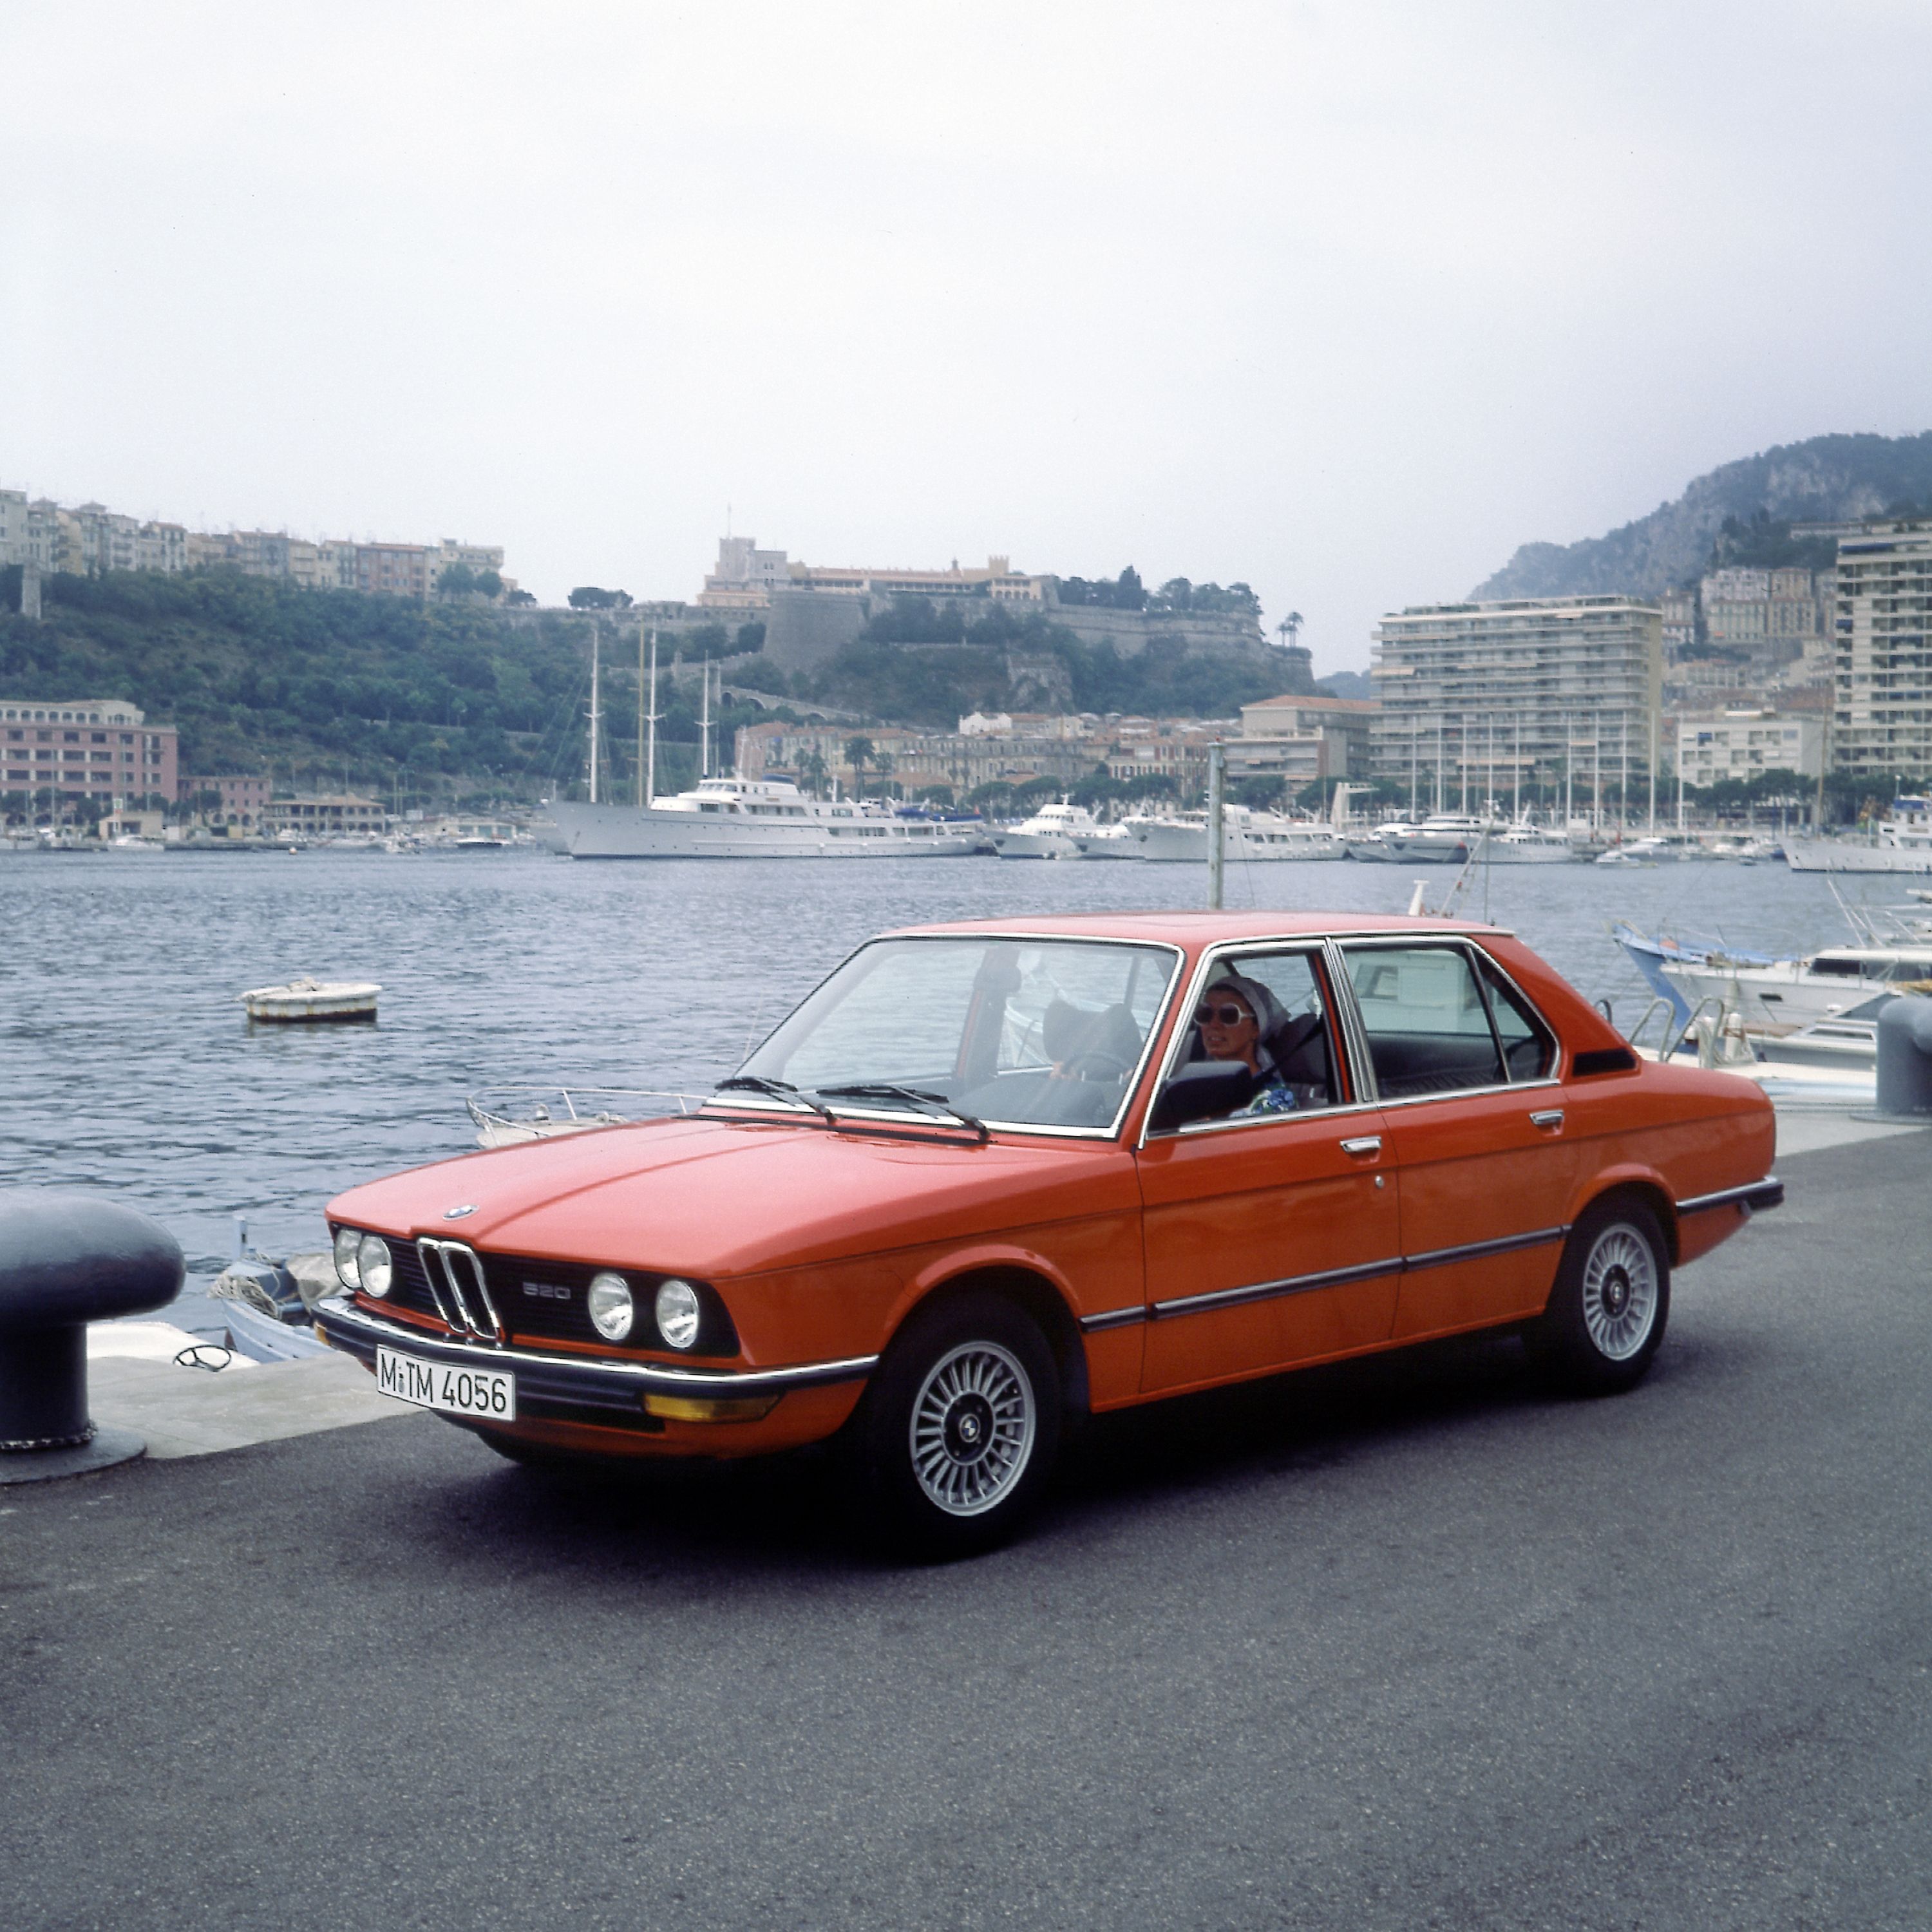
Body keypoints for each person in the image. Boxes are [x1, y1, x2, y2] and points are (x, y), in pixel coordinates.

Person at [1193, 971, 1300, 1115]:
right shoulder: (1194, 1087)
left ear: (1256, 1029)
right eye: (1205, 1014)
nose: (1213, 1024)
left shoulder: (1275, 1102)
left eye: (1229, 1015)